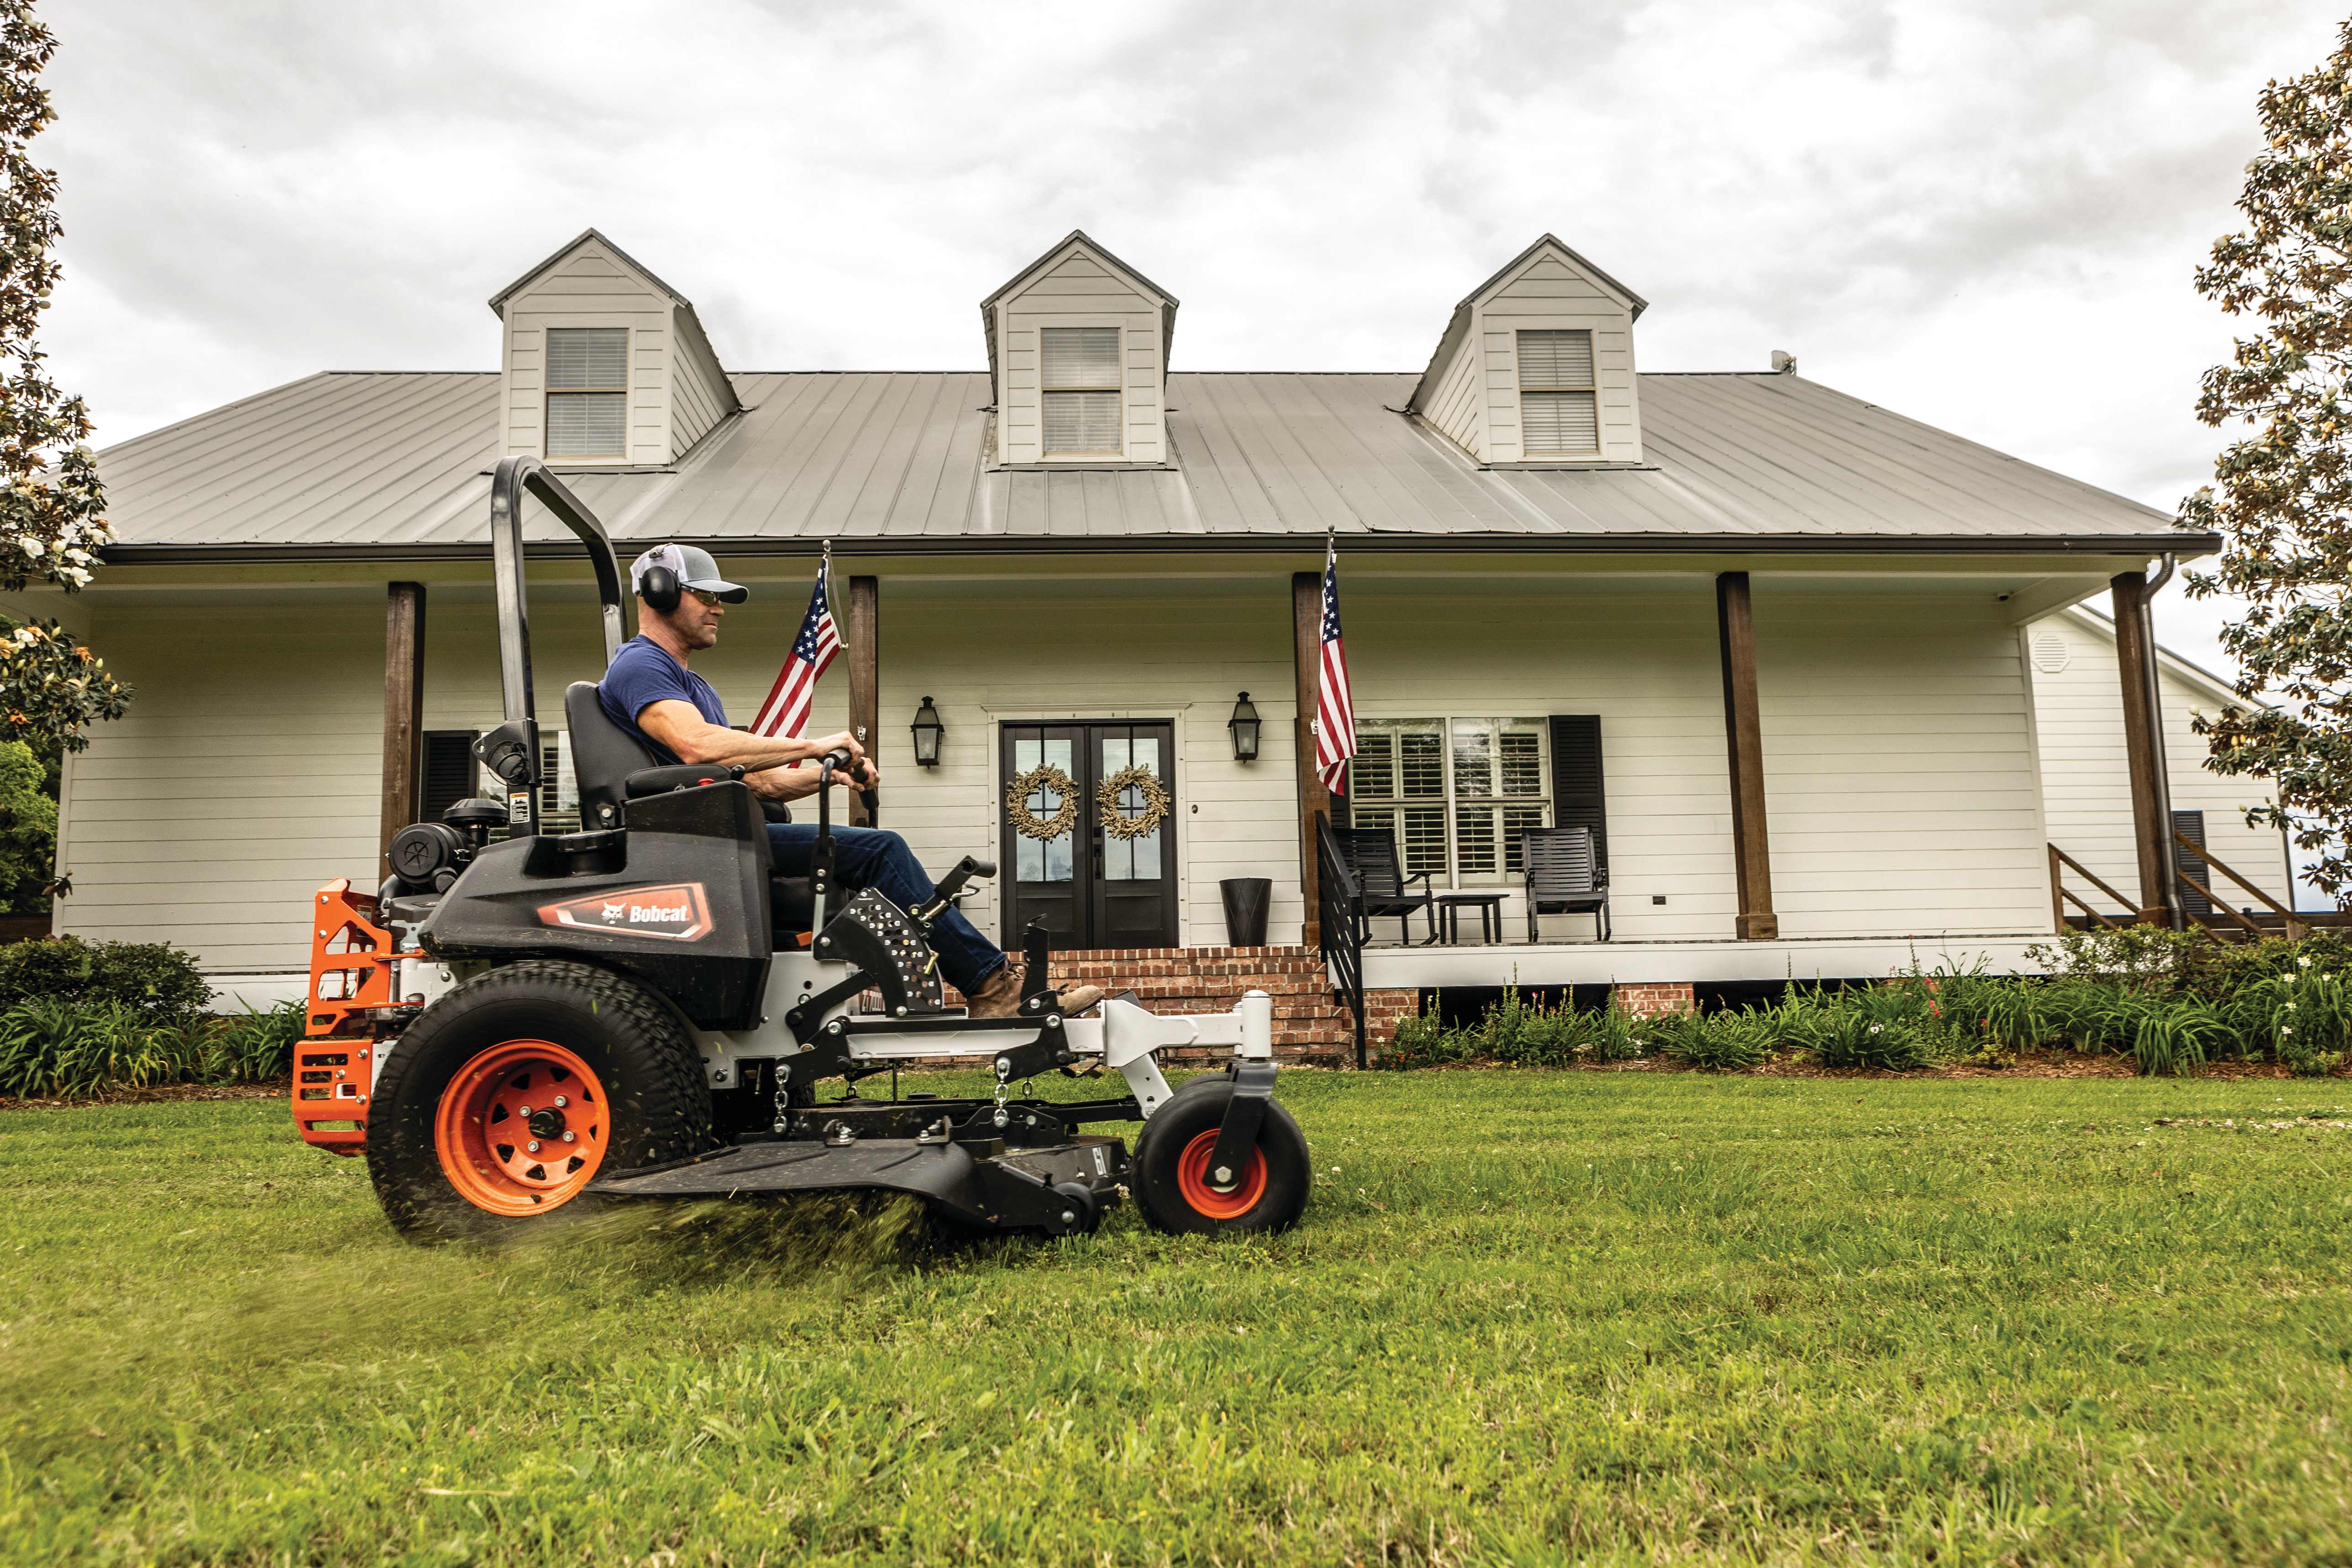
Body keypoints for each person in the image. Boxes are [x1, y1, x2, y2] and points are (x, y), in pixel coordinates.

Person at [597, 544, 1096, 1020]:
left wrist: (832, 775)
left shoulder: (692, 684)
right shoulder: (640, 663)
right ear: (660, 591)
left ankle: (985, 982)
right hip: (692, 843)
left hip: (722, 835)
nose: (718, 608)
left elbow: (762, 785)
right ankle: (992, 988)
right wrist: (812, 745)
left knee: (876, 850)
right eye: (706, 595)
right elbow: (696, 745)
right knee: (881, 850)